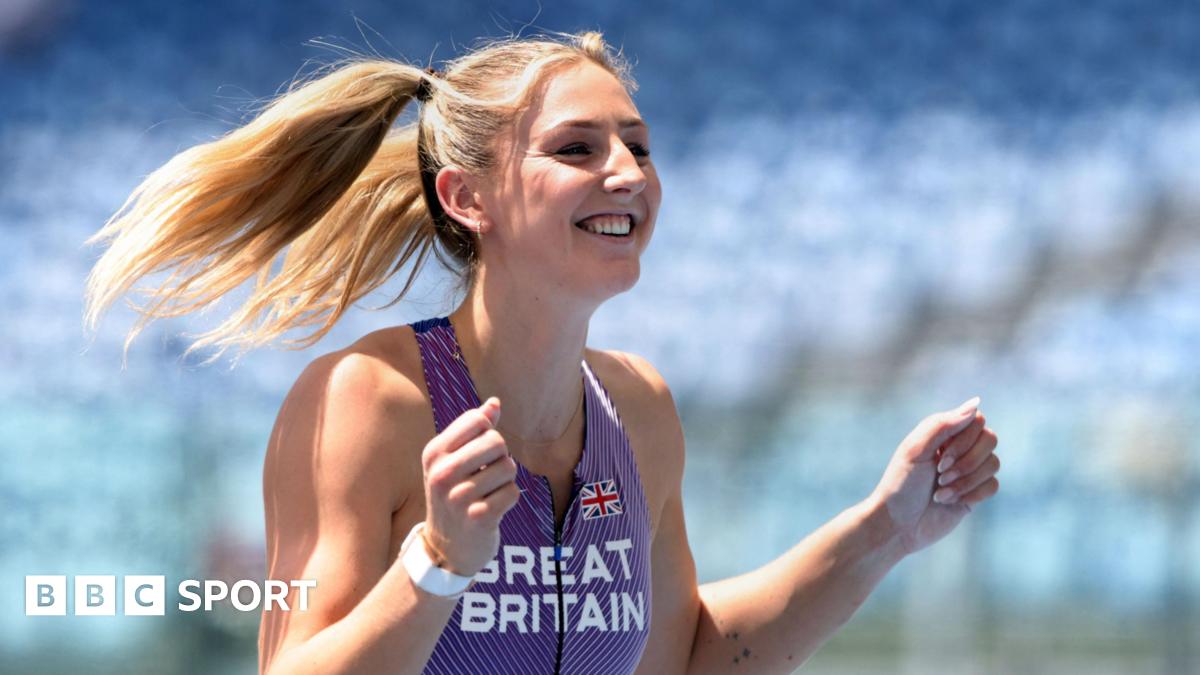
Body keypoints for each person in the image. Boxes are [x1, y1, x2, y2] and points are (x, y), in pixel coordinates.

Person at [82, 30, 1001, 675]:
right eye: (578, 147)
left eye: (639, 147)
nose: (628, 173)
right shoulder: (367, 401)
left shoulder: (640, 410)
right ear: (468, 197)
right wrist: (438, 559)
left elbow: (684, 660)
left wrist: (886, 528)